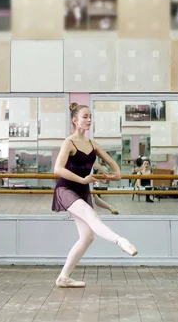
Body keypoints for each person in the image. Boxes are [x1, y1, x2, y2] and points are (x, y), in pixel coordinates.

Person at [52, 102, 138, 288]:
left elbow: (113, 165)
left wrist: (114, 175)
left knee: (88, 237)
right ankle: (120, 240)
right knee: (92, 216)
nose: (89, 120)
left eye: (90, 116)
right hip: (66, 189)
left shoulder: (93, 144)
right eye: (85, 117)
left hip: (83, 191)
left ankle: (64, 278)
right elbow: (58, 169)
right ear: (75, 121)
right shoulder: (69, 143)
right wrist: (83, 180)